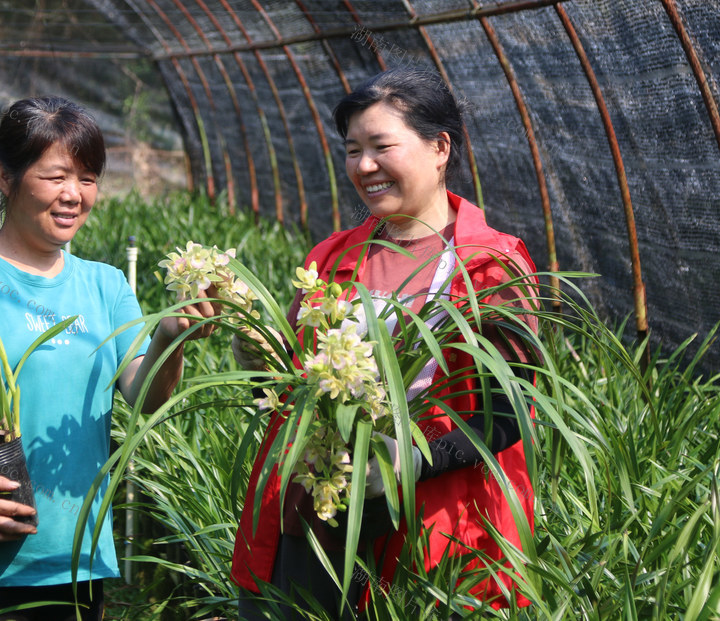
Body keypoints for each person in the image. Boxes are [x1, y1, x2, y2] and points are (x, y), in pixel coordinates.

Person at [0, 97, 219, 620]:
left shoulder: (105, 286)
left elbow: (146, 394)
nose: (73, 195)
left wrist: (171, 336)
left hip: (75, 563)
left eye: (88, 178)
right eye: (56, 176)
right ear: (5, 176)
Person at [230, 68, 538, 618]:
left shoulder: (491, 265)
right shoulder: (332, 257)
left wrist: (411, 458)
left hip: (437, 530)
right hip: (315, 517)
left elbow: (509, 410)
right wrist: (262, 360)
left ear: (440, 147)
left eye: (380, 146)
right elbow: (295, 389)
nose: (364, 166)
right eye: (352, 150)